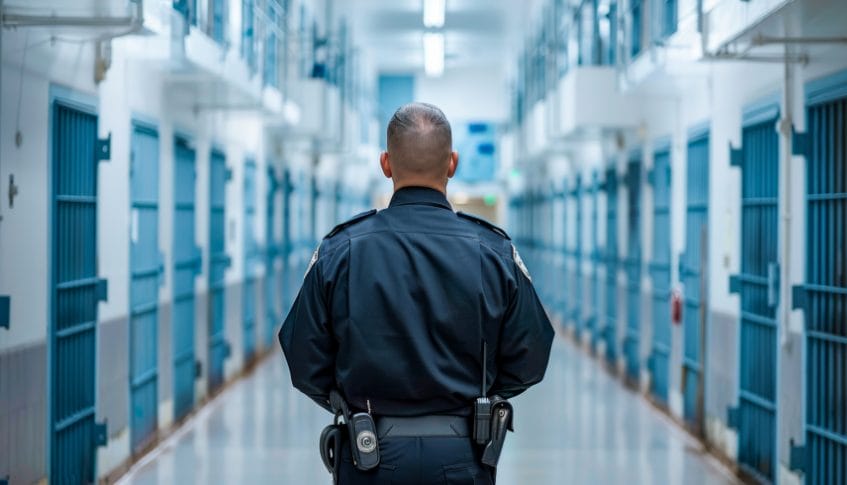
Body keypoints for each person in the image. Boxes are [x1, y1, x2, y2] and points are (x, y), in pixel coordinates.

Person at [279, 102, 554, 484]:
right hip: (463, 455)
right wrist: (479, 395)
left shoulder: (342, 251)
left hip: (369, 454)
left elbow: (303, 355)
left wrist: (351, 400)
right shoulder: (492, 252)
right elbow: (531, 354)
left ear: (385, 164)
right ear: (452, 163)